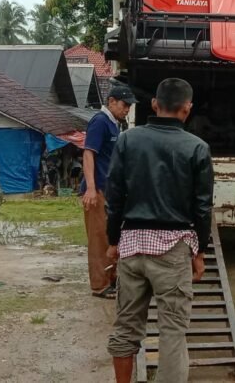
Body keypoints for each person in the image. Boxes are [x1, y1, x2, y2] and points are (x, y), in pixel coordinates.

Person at [105, 78, 213, 383]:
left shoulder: (128, 140)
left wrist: (113, 241)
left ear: (154, 104)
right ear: (187, 108)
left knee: (126, 328)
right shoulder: (197, 148)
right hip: (173, 249)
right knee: (172, 334)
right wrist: (200, 252)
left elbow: (114, 197)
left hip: (132, 246)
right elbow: (202, 207)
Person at [80, 84, 137, 299]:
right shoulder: (100, 122)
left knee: (110, 236)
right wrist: (91, 189)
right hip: (98, 190)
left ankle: (111, 279)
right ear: (112, 101)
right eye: (125, 105)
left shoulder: (115, 125)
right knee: (98, 239)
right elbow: (88, 154)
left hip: (109, 190)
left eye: (129, 106)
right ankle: (100, 285)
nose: (127, 110)